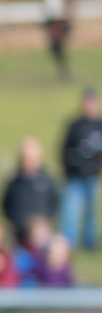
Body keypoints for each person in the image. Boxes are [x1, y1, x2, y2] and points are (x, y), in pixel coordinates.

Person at [59, 87, 102, 251]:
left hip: (92, 176)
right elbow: (63, 150)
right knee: (71, 210)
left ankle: (90, 243)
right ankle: (68, 243)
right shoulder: (75, 126)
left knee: (91, 212)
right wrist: (68, 167)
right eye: (87, 102)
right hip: (74, 176)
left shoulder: (100, 126)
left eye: (92, 102)